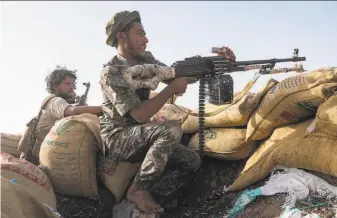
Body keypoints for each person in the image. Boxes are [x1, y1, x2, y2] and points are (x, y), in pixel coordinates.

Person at [99, 10, 236, 214]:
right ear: (121, 36)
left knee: (192, 160)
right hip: (118, 139)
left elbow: (178, 75)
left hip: (141, 135)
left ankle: (153, 200)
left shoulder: (146, 61)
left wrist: (218, 63)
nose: (146, 39)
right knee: (170, 129)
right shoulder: (111, 72)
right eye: (139, 34)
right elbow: (138, 115)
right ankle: (138, 189)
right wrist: (170, 90)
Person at [19, 66, 103, 165]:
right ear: (55, 86)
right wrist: (104, 108)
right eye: (67, 84)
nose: (72, 87)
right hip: (35, 159)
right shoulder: (56, 101)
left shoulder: (52, 101)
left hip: (39, 156)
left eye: (73, 84)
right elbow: (73, 111)